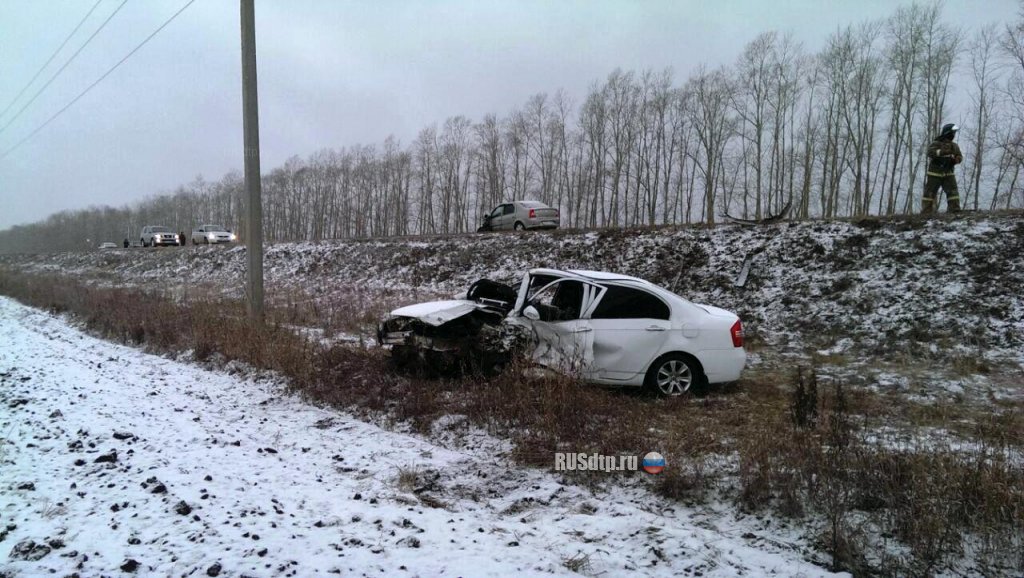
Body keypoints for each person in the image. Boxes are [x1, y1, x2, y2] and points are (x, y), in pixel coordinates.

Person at [922, 123, 963, 214]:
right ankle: (926, 212)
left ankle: (954, 210)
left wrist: (957, 160)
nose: (953, 135)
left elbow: (959, 156)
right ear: (947, 133)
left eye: (954, 133)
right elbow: (930, 152)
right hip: (934, 173)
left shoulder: (954, 146)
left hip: (948, 173)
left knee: (953, 192)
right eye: (952, 133)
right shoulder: (936, 143)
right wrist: (941, 152)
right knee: (929, 193)